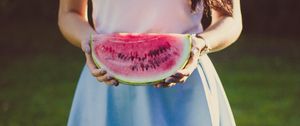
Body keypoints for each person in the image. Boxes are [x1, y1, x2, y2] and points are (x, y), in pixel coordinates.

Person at [58, 0, 242, 125]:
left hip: (185, 81)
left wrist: (201, 43)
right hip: (108, 82)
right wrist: (90, 44)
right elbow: (69, 13)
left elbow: (230, 19)